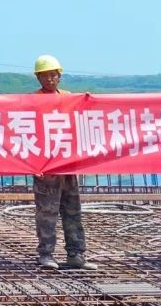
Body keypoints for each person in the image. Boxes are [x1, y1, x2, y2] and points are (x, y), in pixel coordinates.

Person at [30, 55, 96, 270]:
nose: (49, 79)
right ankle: (46, 254)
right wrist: (33, 164)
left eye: (53, 75)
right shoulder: (32, 101)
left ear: (59, 76)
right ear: (38, 78)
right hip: (46, 168)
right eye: (45, 76)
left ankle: (76, 254)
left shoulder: (69, 98)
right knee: (47, 213)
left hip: (67, 165)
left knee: (72, 210)